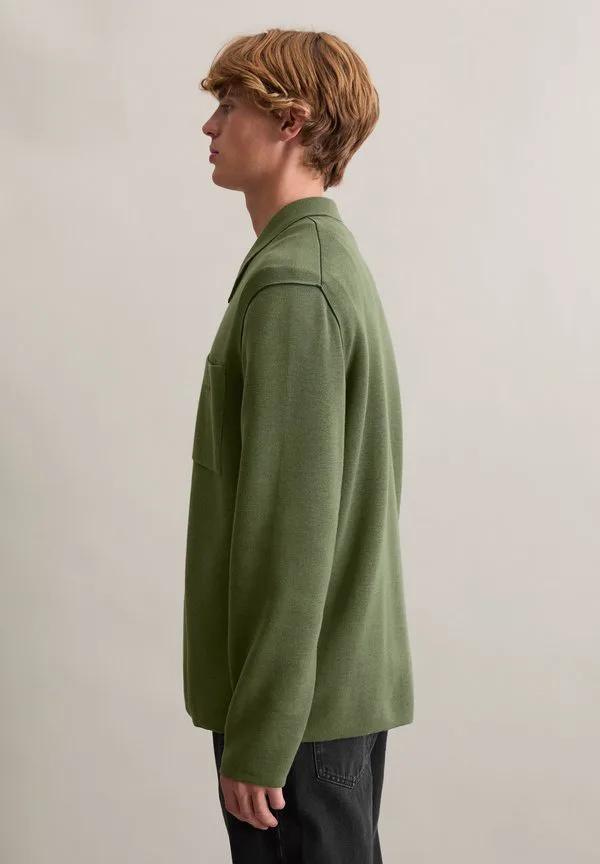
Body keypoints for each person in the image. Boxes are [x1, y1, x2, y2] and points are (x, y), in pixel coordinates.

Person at [182, 27, 414, 864]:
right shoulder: (316, 259)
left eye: (229, 104)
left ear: (291, 121)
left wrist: (264, 728)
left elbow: (294, 533)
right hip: (323, 703)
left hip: (299, 720)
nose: (210, 125)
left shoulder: (294, 283)